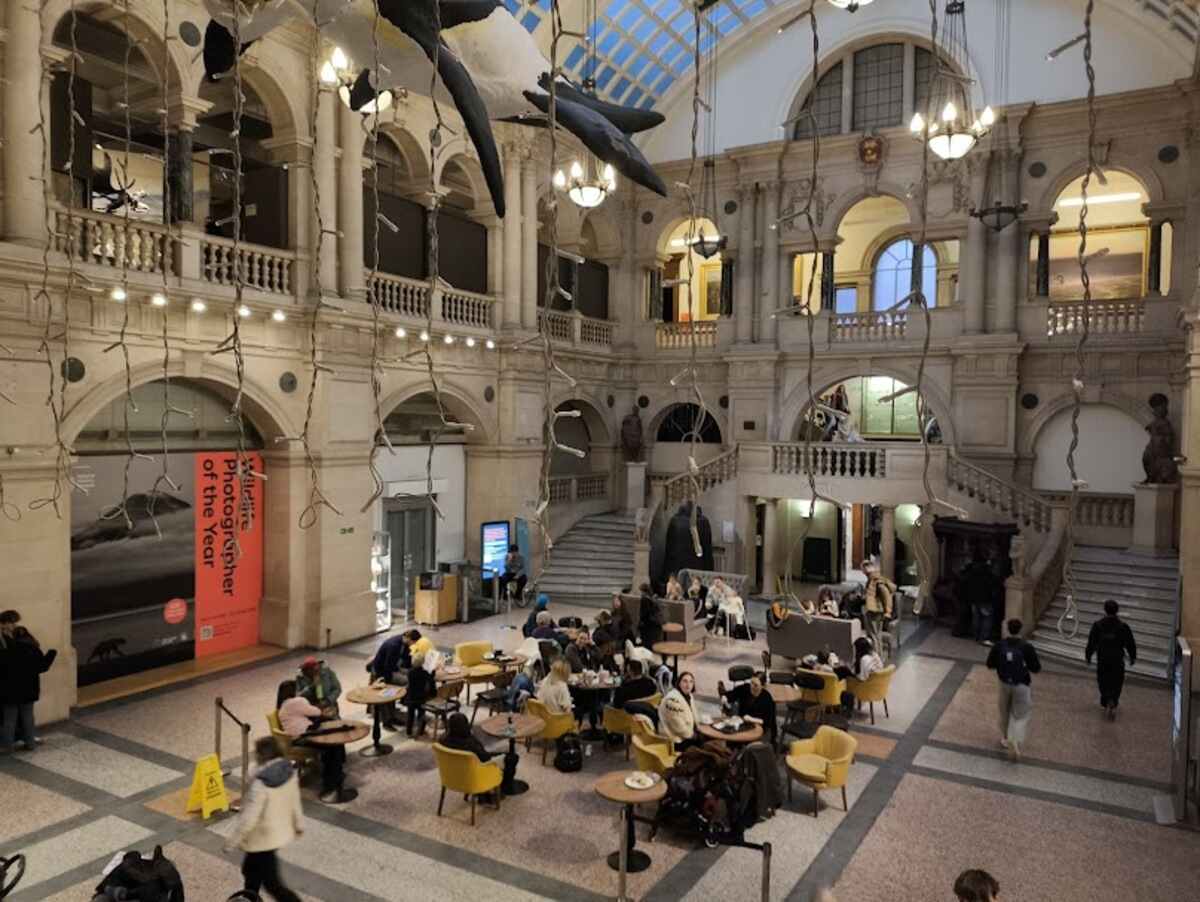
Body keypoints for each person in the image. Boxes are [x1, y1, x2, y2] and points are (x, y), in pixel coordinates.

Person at [228, 737, 303, 902]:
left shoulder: (261, 782)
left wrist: (233, 841)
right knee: (250, 870)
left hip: (261, 835)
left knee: (272, 883)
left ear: (262, 755)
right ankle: (250, 897)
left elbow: (250, 816)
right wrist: (298, 823)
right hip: (274, 829)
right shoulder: (287, 771)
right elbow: (293, 799)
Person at [275, 680, 348, 802]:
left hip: (294, 739)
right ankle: (332, 782)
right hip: (303, 737)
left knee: (332, 744)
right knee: (334, 745)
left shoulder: (282, 706)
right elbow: (316, 712)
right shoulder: (296, 702)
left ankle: (334, 776)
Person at [0, 610, 57, 753]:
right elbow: (42, 666)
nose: (13, 625)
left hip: (9, 689)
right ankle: (30, 743)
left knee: (9, 719)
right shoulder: (32, 649)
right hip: (28, 688)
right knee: (27, 716)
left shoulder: (8, 650)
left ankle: (7, 747)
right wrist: (52, 653)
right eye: (12, 622)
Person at [986, 619, 1041, 761]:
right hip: (1021, 684)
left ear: (1007, 629)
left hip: (1004, 682)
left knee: (1004, 710)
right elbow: (1036, 668)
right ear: (1020, 630)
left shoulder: (999, 645)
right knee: (1021, 713)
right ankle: (1014, 738)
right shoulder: (1026, 647)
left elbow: (990, 664)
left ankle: (1005, 737)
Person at [1085, 599, 1138, 719]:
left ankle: (1106, 698)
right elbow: (1130, 643)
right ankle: (1113, 699)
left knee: (1103, 679)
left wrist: (1088, 656)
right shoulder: (1123, 626)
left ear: (1105, 610)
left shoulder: (1097, 625)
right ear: (1117, 610)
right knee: (1116, 680)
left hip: (1103, 658)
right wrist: (1132, 657)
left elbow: (1091, 642)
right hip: (1117, 658)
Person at [718, 674, 777, 745]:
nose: (752, 687)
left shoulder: (767, 698)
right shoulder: (745, 688)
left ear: (763, 686)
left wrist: (751, 719)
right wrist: (725, 697)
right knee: (730, 736)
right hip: (743, 723)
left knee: (741, 740)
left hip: (758, 727)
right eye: (751, 683)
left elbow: (767, 721)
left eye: (756, 685)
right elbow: (732, 694)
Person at [962, 552, 999, 646]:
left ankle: (976, 636)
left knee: (976, 617)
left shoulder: (971, 569)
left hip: (974, 598)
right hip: (985, 598)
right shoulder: (987, 571)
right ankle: (984, 638)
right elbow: (993, 582)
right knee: (987, 618)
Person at [658, 671, 702, 750]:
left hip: (686, 734)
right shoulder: (672, 700)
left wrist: (699, 728)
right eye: (685, 681)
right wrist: (693, 735)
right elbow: (678, 727)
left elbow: (694, 715)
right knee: (706, 745)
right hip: (676, 741)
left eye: (691, 682)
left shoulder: (689, 696)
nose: (688, 685)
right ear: (679, 683)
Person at [862, 562, 896, 657]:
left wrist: (888, 611)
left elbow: (886, 596)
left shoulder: (876, 580)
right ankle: (878, 657)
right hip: (874, 610)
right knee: (876, 635)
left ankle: (877, 657)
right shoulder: (872, 579)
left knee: (874, 636)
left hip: (875, 611)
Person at [404, 651, 436, 737]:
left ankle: (409, 732)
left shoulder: (410, 672)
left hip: (411, 697)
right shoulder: (425, 673)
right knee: (421, 714)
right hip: (421, 698)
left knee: (410, 716)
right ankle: (421, 730)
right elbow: (431, 678)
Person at [638, 584, 664, 648]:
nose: (640, 593)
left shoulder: (644, 599)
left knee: (647, 645)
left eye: (641, 591)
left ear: (643, 591)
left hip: (648, 626)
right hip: (655, 625)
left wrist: (640, 624)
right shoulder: (653, 598)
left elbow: (644, 614)